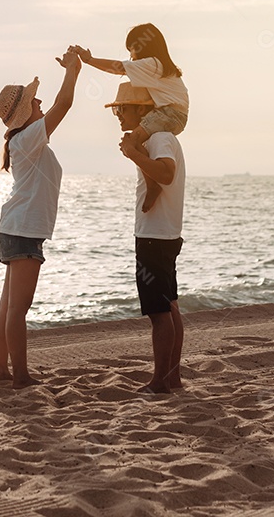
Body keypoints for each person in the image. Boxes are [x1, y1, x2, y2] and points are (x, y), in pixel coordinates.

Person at [0, 47, 81, 388]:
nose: (40, 103)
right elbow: (65, 105)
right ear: (26, 112)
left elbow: (56, 107)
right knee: (17, 309)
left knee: (8, 306)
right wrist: (73, 71)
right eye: (35, 101)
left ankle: (2, 371)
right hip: (24, 229)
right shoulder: (28, 138)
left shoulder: (23, 141)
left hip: (15, 227)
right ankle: (21, 376)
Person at [106, 81, 186, 394]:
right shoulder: (156, 140)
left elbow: (166, 174)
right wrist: (149, 197)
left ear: (142, 109)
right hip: (162, 233)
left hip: (155, 236)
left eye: (121, 108)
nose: (117, 114)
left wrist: (132, 154)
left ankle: (159, 381)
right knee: (170, 307)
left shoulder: (160, 138)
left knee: (159, 313)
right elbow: (157, 183)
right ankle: (172, 378)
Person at [73, 23, 188, 213]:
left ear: (142, 46)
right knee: (136, 143)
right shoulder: (162, 66)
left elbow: (118, 68)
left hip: (169, 113)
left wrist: (89, 59)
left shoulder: (152, 63)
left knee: (131, 142)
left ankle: (153, 186)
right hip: (174, 114)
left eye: (131, 49)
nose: (131, 55)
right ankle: (152, 184)